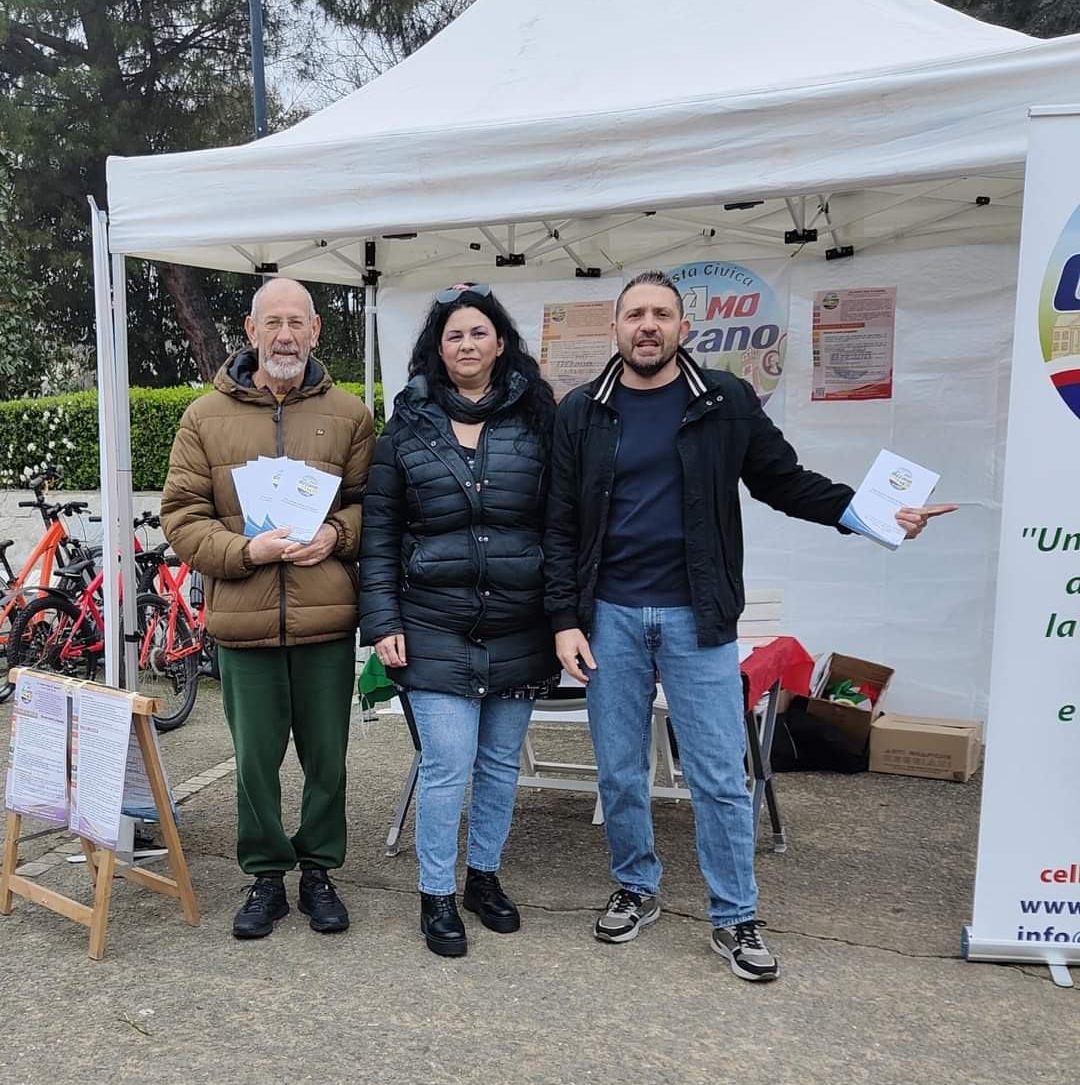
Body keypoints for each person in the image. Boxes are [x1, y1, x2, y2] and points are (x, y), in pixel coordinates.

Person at [544, 270, 954, 982]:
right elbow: (557, 521)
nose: (648, 326)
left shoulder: (723, 400)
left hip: (699, 617)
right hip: (609, 617)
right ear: (615, 329)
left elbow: (785, 481)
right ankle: (636, 885)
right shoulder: (581, 410)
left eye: (661, 314)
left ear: (684, 329)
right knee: (619, 769)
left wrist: (876, 516)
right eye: (635, 314)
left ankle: (734, 915)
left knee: (718, 775)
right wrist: (563, 619)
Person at [161, 277, 375, 941]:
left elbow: (375, 507)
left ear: (315, 331)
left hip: (325, 620)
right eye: (272, 323)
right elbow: (181, 516)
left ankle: (319, 871)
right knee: (254, 763)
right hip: (243, 620)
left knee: (327, 759)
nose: (285, 336)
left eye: (296, 323)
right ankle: (265, 876)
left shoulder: (351, 415)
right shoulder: (203, 417)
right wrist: (245, 550)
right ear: (250, 332)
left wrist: (336, 535)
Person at [360, 284, 558, 958]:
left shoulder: (538, 419)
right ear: (436, 350)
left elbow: (561, 524)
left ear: (500, 343)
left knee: (499, 763)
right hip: (432, 623)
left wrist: (564, 614)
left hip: (519, 624)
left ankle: (484, 878)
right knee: (448, 763)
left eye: (478, 333)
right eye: (454, 335)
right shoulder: (405, 426)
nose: (467, 344)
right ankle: (437, 894)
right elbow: (380, 531)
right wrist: (382, 620)